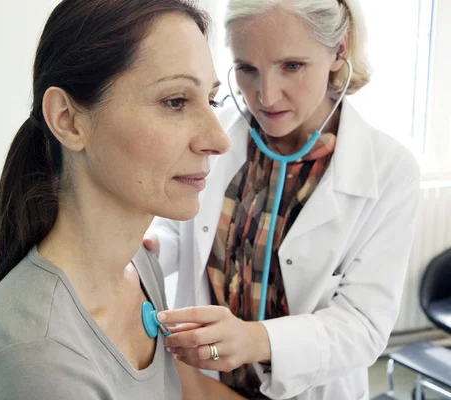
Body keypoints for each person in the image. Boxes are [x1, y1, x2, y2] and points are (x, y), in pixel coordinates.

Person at [0, 0, 248, 399]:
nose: (218, 140)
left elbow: (180, 388)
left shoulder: (137, 267)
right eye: (175, 101)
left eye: (211, 101)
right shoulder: (36, 357)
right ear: (68, 119)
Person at [144, 0, 421, 399]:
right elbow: (178, 228)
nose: (266, 95)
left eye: (292, 66)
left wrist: (254, 340)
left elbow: (363, 325)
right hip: (206, 386)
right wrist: (151, 247)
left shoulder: (389, 171)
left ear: (339, 51)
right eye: (247, 69)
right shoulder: (216, 135)